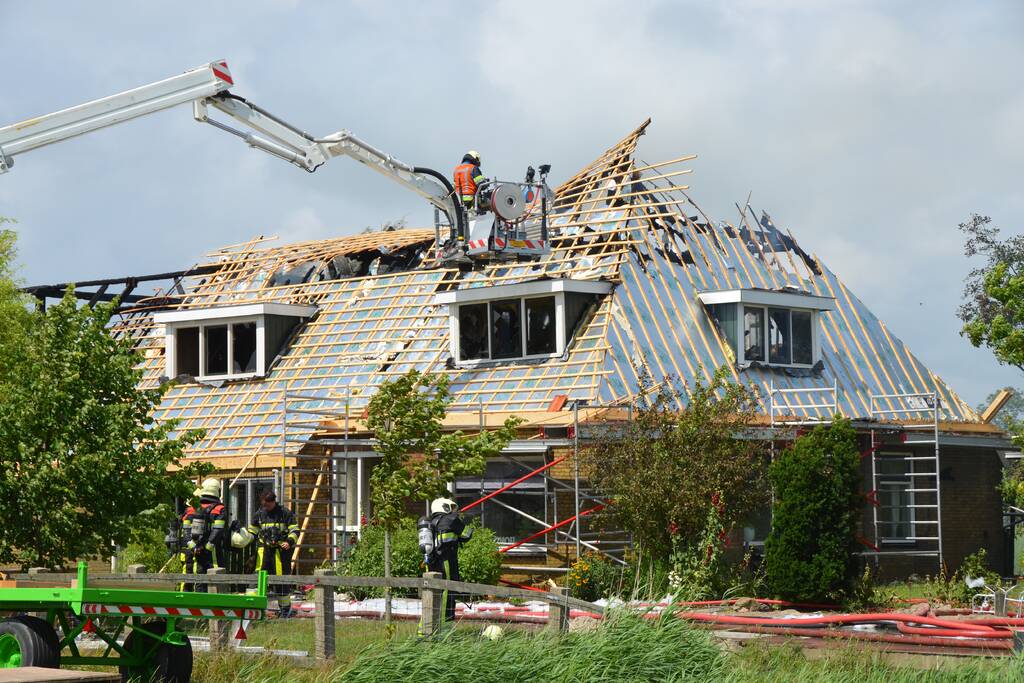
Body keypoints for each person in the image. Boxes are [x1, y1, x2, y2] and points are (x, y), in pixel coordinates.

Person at [247, 491, 300, 617]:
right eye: (263, 505)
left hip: (280, 553)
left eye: (268, 505)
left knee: (281, 581)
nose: (265, 507)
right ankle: (252, 610)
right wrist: (243, 538)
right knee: (258, 578)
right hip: (263, 551)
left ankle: (285, 611)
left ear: (273, 502)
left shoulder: (284, 513)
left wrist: (289, 541)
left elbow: (295, 530)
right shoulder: (259, 514)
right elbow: (252, 531)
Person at [424, 497, 473, 624]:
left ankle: (427, 626)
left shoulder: (429, 522)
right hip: (446, 561)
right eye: (449, 508)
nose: (452, 511)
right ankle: (445, 626)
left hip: (432, 562)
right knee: (447, 590)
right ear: (444, 507)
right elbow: (467, 535)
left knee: (433, 592)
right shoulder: (451, 520)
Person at [187, 478, 228, 590]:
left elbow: (185, 531)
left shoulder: (191, 508)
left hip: (195, 549)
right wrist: (208, 547)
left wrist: (194, 547)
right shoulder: (219, 509)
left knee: (197, 577)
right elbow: (218, 530)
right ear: (217, 491)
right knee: (215, 576)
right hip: (213, 551)